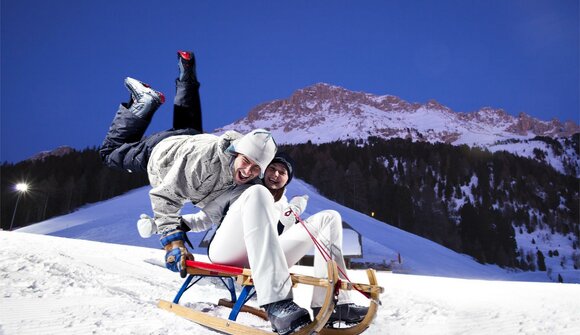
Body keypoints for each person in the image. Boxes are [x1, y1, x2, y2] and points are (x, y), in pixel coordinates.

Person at [139, 152, 369, 334]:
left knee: (330, 217)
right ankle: (277, 304)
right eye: (273, 168)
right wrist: (162, 224)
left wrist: (290, 215)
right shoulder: (244, 190)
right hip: (228, 251)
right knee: (258, 192)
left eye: (282, 172)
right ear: (263, 169)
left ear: (288, 179)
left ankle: (334, 305)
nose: (276, 175)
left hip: (264, 257)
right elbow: (202, 219)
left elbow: (279, 236)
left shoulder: (286, 205)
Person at [100, 50, 277, 275]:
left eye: (255, 168)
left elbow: (219, 213)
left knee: (187, 121)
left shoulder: (244, 180)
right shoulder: (202, 165)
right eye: (245, 162)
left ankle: (187, 76)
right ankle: (143, 102)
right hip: (161, 151)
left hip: (192, 138)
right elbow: (165, 196)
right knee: (109, 154)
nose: (247, 171)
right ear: (235, 153)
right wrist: (174, 244)